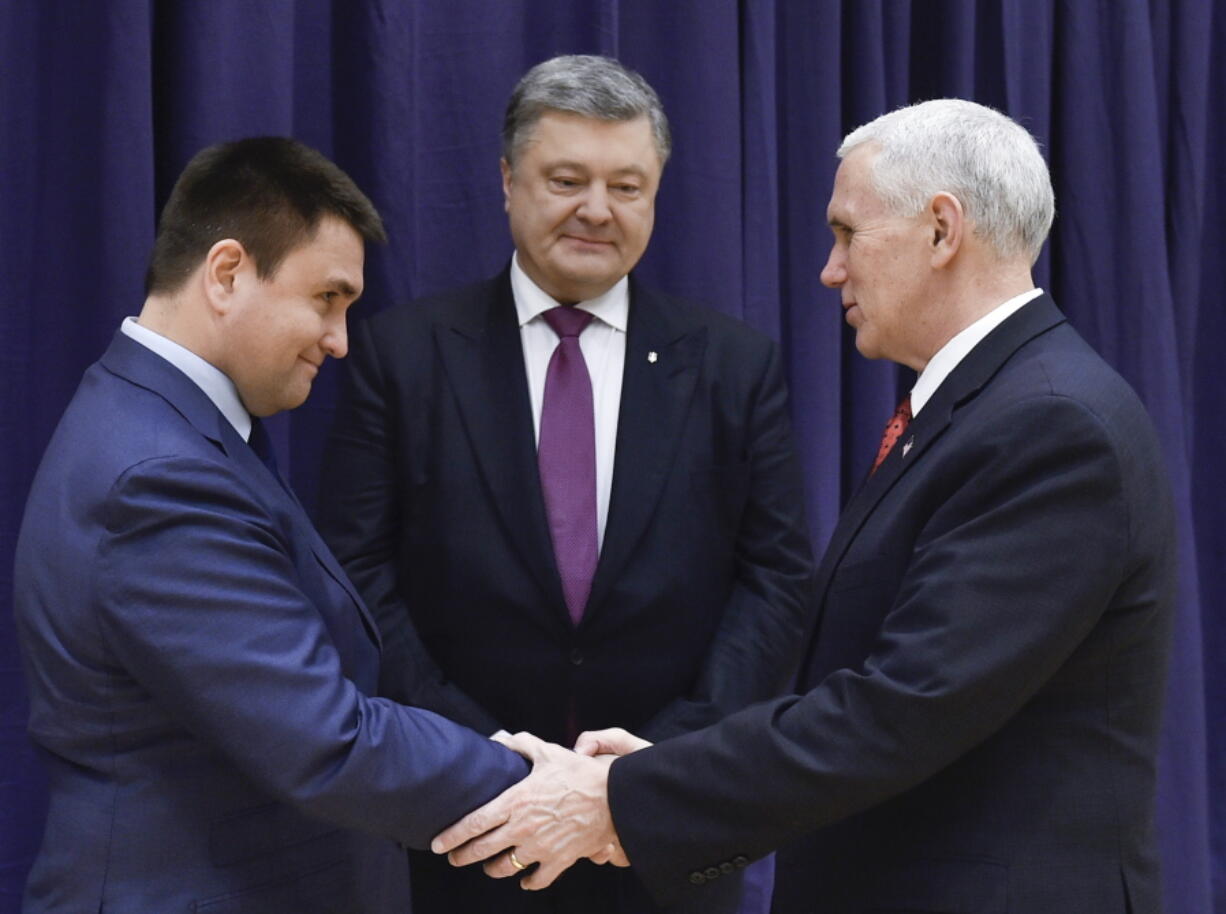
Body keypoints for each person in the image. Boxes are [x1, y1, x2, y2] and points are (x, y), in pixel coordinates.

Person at [433, 98, 1178, 914]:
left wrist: (623, 796)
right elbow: (866, 686)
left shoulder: (1048, 424)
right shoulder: (993, 406)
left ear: (940, 230)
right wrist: (665, 770)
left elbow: (900, 710)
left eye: (848, 233)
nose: (830, 269)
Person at [317, 55, 815, 914]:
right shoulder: (402, 358)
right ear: (509, 182)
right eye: (566, 179)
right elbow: (356, 579)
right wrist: (490, 761)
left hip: (663, 833)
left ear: (657, 194)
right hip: (465, 828)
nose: (596, 209)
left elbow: (775, 584)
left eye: (627, 185)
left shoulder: (736, 367)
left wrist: (657, 765)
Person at [12, 137, 529, 914]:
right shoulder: (160, 473)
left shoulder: (163, 424)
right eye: (327, 299)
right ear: (226, 273)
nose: (341, 341)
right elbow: (328, 741)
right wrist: (549, 784)